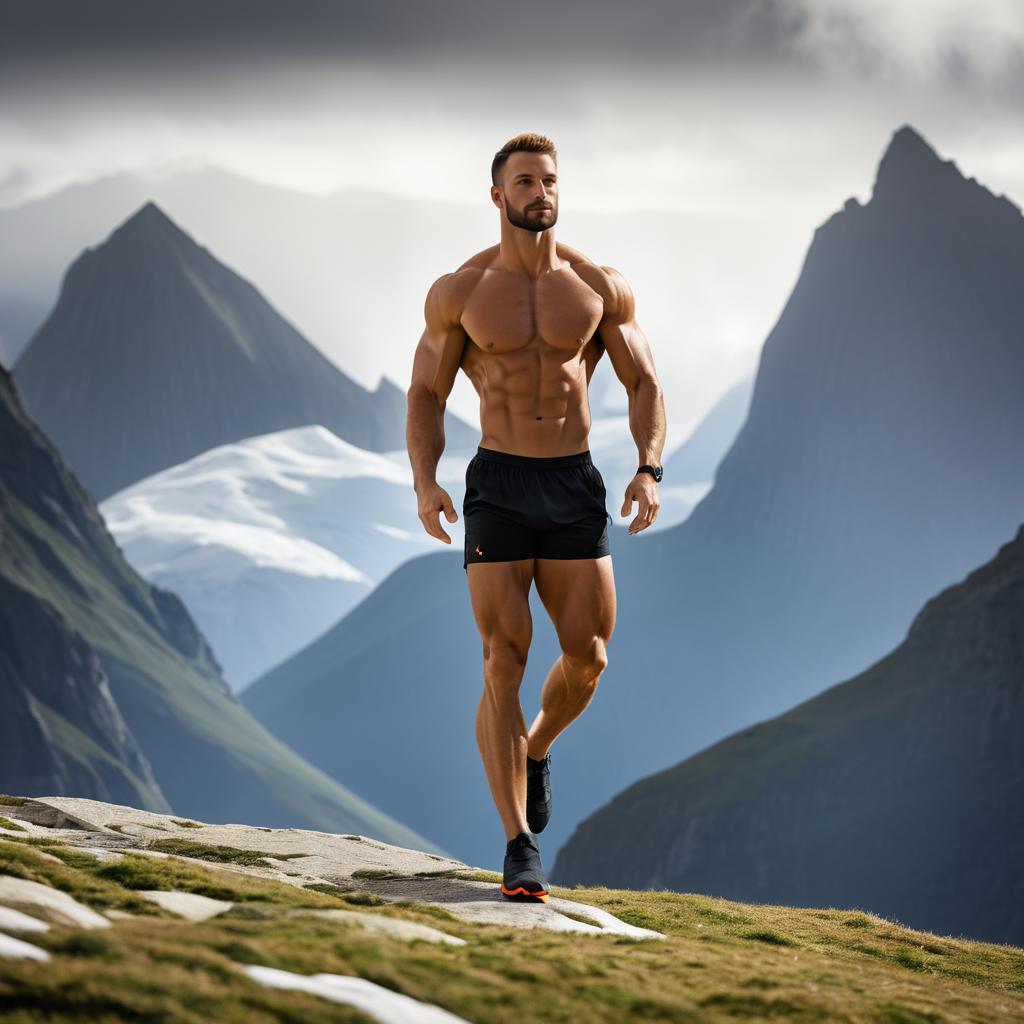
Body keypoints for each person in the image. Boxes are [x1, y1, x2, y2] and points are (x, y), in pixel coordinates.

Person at [406, 132, 666, 901]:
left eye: (549, 180)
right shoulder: (461, 291)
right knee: (501, 659)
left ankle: (539, 746)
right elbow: (426, 392)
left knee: (589, 656)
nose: (539, 192)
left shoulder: (597, 287)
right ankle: (520, 845)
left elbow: (644, 380)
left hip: (573, 486)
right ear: (498, 195)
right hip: (498, 486)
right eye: (524, 181)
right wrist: (426, 482)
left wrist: (648, 468)